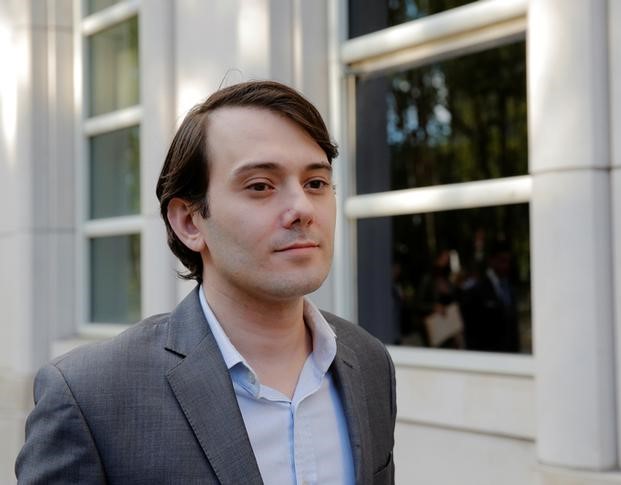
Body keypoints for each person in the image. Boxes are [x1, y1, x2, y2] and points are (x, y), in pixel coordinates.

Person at [16, 81, 396, 485]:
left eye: (315, 183)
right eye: (260, 186)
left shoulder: (369, 364)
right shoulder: (89, 397)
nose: (302, 209)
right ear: (190, 221)